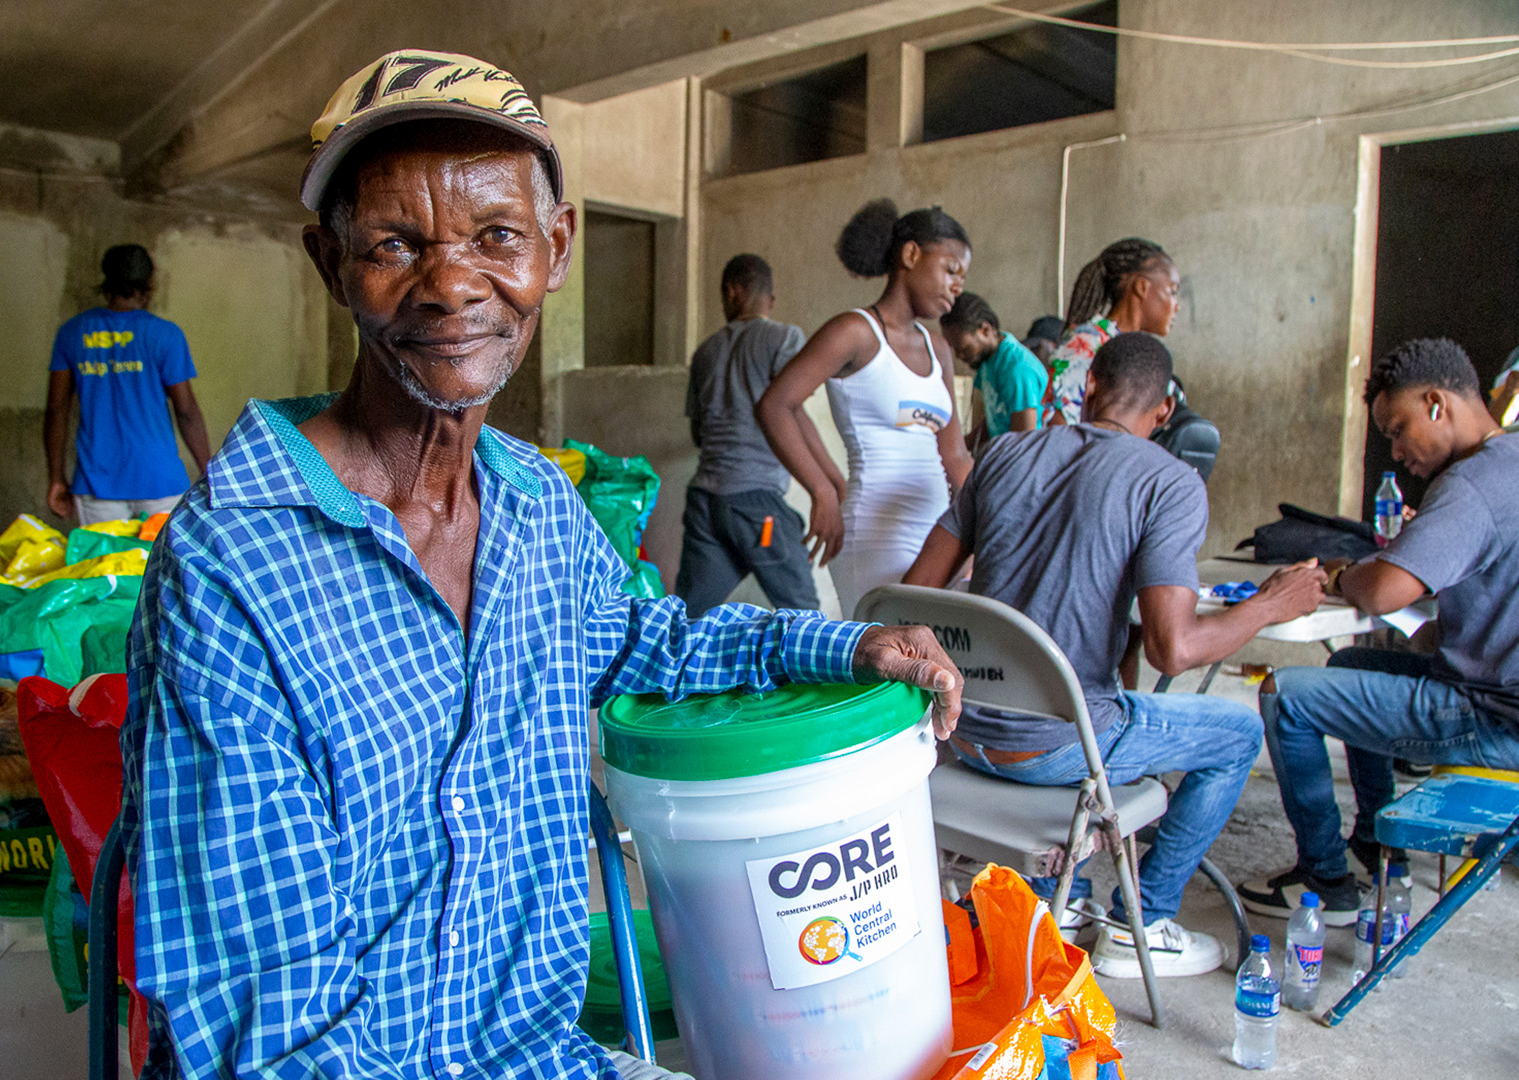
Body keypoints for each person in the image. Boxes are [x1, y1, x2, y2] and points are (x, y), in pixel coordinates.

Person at [121, 49, 964, 1080]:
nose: (450, 286)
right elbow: (268, 1025)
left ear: (554, 251)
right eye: (394, 243)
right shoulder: (231, 567)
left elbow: (640, 639)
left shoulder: (532, 504)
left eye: (495, 237)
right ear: (329, 263)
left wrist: (849, 645)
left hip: (538, 1058)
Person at [903, 332, 1325, 978]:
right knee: (1238, 731)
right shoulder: (1169, 482)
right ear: (1164, 414)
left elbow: (912, 599)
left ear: (1090, 383)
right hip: (1055, 748)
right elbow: (1174, 647)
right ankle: (1141, 919)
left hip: (962, 733)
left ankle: (1059, 904)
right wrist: (1271, 605)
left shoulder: (1003, 454)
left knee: (1113, 705)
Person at [1238, 338, 1519, 925]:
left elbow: (1386, 590)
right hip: (1498, 695)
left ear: (1437, 404)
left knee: (1285, 695)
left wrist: (1341, 574)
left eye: (1398, 428)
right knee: (1349, 666)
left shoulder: (1472, 484)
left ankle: (1326, 880)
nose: (1395, 452)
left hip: (1492, 720)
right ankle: (1371, 841)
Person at [756, 199, 974, 616]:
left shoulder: (939, 349)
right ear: (911, 255)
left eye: (963, 277)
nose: (957, 286)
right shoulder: (855, 332)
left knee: (931, 666)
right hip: (873, 532)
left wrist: (981, 522)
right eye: (951, 270)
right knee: (884, 658)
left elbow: (955, 454)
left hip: (939, 532)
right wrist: (824, 490)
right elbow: (778, 405)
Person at [676, 254, 828, 617]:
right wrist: (827, 485)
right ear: (768, 300)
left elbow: (699, 434)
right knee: (804, 614)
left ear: (732, 292)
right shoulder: (784, 338)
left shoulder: (705, 353)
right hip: (756, 504)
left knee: (688, 618)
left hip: (705, 505)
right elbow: (792, 410)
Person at [44, 244, 211, 526]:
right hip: (160, 480)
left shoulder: (72, 332)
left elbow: (57, 408)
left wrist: (56, 476)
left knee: (104, 569)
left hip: (98, 482)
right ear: (149, 282)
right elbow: (186, 411)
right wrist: (210, 470)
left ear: (107, 280)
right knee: (161, 568)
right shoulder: (164, 335)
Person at [1047, 238, 1179, 425]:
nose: (1177, 306)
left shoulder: (1142, 351)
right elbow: (1058, 425)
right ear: (1141, 287)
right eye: (1172, 291)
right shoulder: (1085, 345)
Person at [939, 292, 1047, 454]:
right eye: (955, 350)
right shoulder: (988, 361)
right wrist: (957, 449)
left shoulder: (1018, 370)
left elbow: (1024, 441)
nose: (959, 356)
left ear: (985, 330)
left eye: (965, 349)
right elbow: (994, 421)